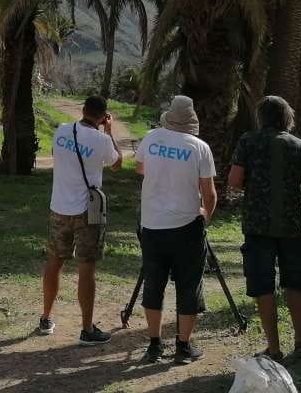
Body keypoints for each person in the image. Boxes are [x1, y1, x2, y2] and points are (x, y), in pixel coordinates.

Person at [228, 96, 301, 362]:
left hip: (257, 227)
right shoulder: (298, 145)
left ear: (261, 116)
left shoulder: (248, 141)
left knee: (263, 285)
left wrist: (254, 184)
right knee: (295, 283)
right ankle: (300, 340)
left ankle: (274, 348)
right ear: (286, 118)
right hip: (290, 226)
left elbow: (234, 180)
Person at [134, 95, 217, 364]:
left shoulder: (151, 138)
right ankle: (183, 346)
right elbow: (209, 193)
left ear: (169, 116)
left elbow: (140, 168)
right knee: (189, 285)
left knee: (153, 283)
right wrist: (206, 214)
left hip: (152, 224)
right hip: (186, 226)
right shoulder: (200, 147)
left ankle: (154, 345)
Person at [40, 95, 122, 346]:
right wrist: (109, 132)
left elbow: (56, 154)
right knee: (86, 268)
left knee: (54, 262)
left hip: (58, 207)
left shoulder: (62, 130)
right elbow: (117, 164)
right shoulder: (102, 140)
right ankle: (87, 329)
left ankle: (45, 317)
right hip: (88, 211)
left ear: (83, 109)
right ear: (103, 116)